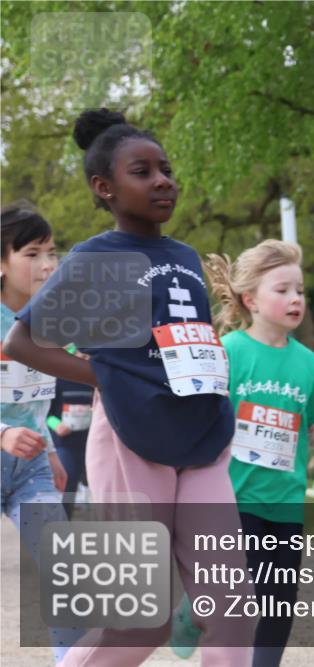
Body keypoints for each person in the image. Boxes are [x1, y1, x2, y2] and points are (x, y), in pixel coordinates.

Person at [4, 108, 254, 665]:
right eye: (142, 172)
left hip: (204, 440)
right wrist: (108, 373)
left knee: (233, 612)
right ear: (104, 188)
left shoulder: (185, 256)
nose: (163, 180)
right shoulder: (97, 258)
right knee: (141, 624)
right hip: (130, 440)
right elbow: (23, 343)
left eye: (166, 169)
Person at [169, 239, 314, 666]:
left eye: (300, 291)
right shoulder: (229, 351)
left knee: (278, 602)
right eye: (283, 290)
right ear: (250, 299)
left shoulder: (307, 363)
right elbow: (194, 420)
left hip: (285, 503)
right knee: (236, 594)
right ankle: (195, 610)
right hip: (231, 500)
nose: (296, 299)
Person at [1, 202, 81, 662]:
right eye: (33, 253)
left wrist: (47, 450)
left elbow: (35, 399)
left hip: (30, 469)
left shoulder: (50, 322)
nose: (48, 264)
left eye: (51, 252)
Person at [47, 361, 95, 518]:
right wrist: (56, 425)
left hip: (92, 443)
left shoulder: (94, 379)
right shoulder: (57, 380)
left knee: (95, 483)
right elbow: (45, 413)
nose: (82, 357)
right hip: (66, 444)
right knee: (67, 484)